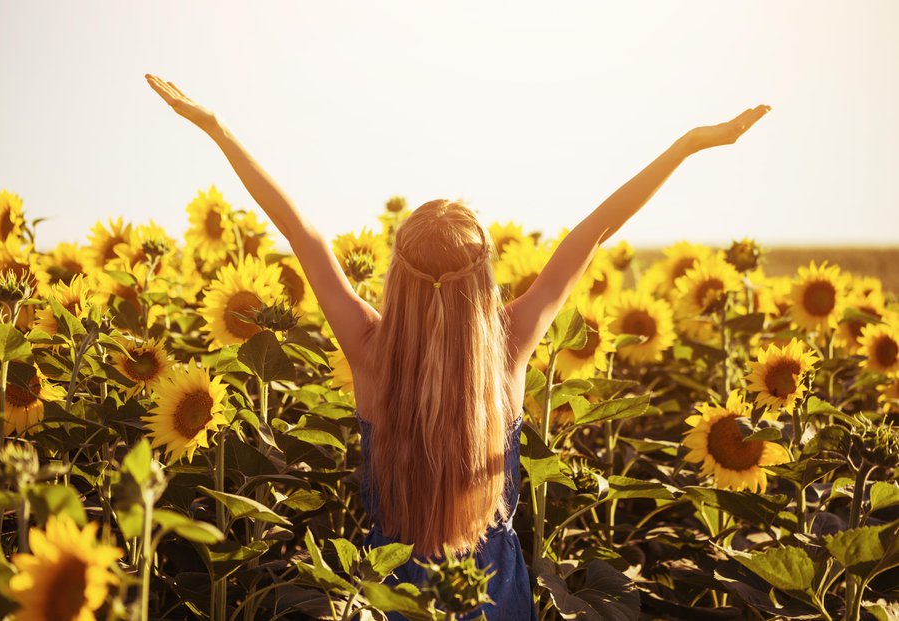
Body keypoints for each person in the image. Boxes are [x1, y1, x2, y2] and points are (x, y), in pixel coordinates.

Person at [145, 73, 769, 619]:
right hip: (493, 595)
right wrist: (688, 145)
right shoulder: (510, 346)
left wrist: (218, 129)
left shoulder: (367, 349)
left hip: (390, 595)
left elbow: (299, 230)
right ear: (483, 278)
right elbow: (596, 230)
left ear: (397, 275)